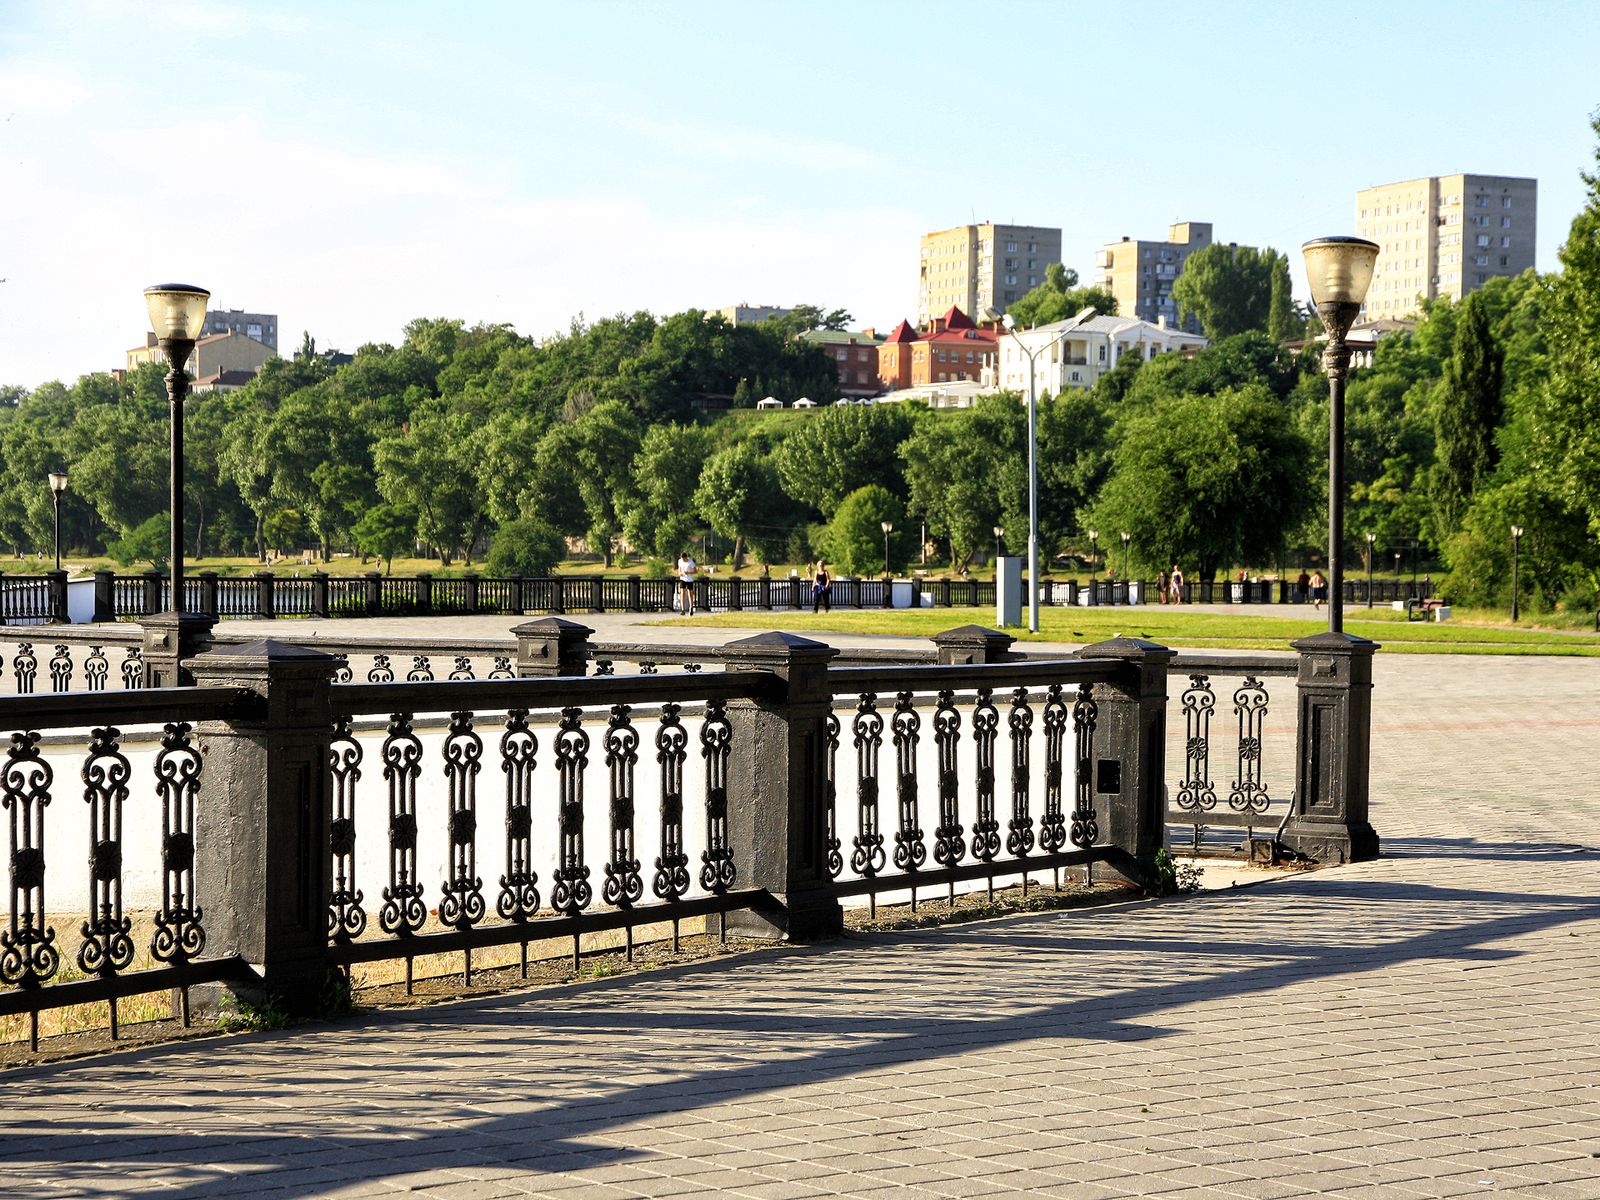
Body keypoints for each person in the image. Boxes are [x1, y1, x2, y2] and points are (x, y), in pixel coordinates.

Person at [675, 550, 698, 616]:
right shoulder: (680, 561)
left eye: (684, 559)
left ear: (686, 557)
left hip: (689, 580)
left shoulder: (691, 562)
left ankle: (691, 608)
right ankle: (683, 609)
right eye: (682, 559)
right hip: (683, 579)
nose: (683, 560)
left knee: (690, 594)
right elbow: (679, 569)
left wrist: (688, 572)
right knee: (682, 594)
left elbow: (695, 571)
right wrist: (680, 573)